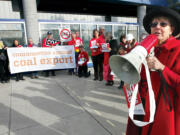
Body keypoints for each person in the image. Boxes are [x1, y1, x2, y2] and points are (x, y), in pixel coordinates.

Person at [125, 7, 180, 135]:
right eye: (154, 24)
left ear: (171, 29)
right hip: (142, 108)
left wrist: (162, 68)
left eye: (163, 24)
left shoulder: (178, 50)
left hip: (165, 112)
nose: (157, 27)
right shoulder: (144, 48)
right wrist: (130, 81)